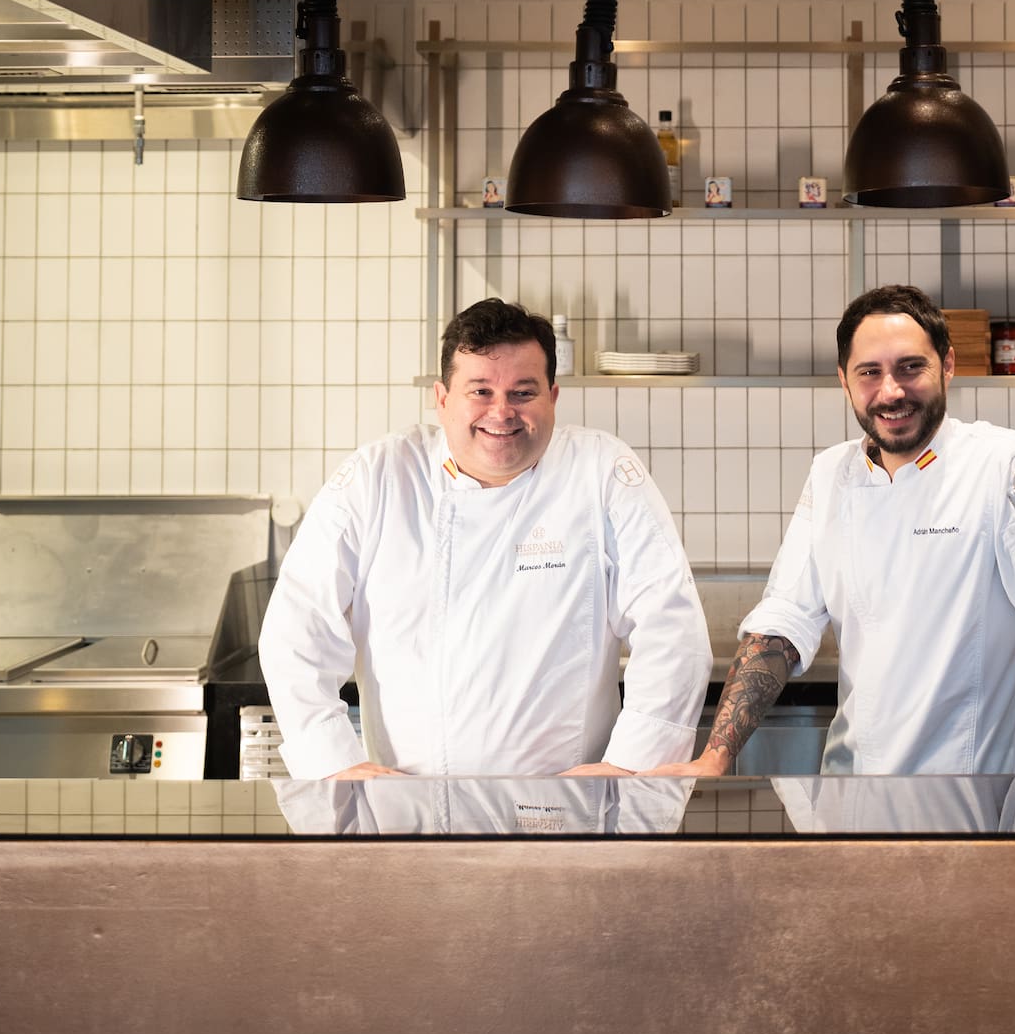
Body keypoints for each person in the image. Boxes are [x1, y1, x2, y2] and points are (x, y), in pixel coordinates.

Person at [655, 284, 1015, 780]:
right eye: (870, 372)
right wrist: (713, 759)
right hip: (851, 800)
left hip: (974, 806)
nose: (891, 391)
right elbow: (781, 626)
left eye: (911, 367)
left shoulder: (1003, 464)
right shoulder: (832, 474)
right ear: (845, 382)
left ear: (948, 366)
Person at [259, 298, 712, 779]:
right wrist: (334, 765)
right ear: (442, 398)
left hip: (568, 812)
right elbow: (296, 630)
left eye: (523, 392)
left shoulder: (601, 471)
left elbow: (673, 631)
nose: (502, 412)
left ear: (553, 397)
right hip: (407, 809)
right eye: (480, 391)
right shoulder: (380, 477)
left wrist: (628, 766)